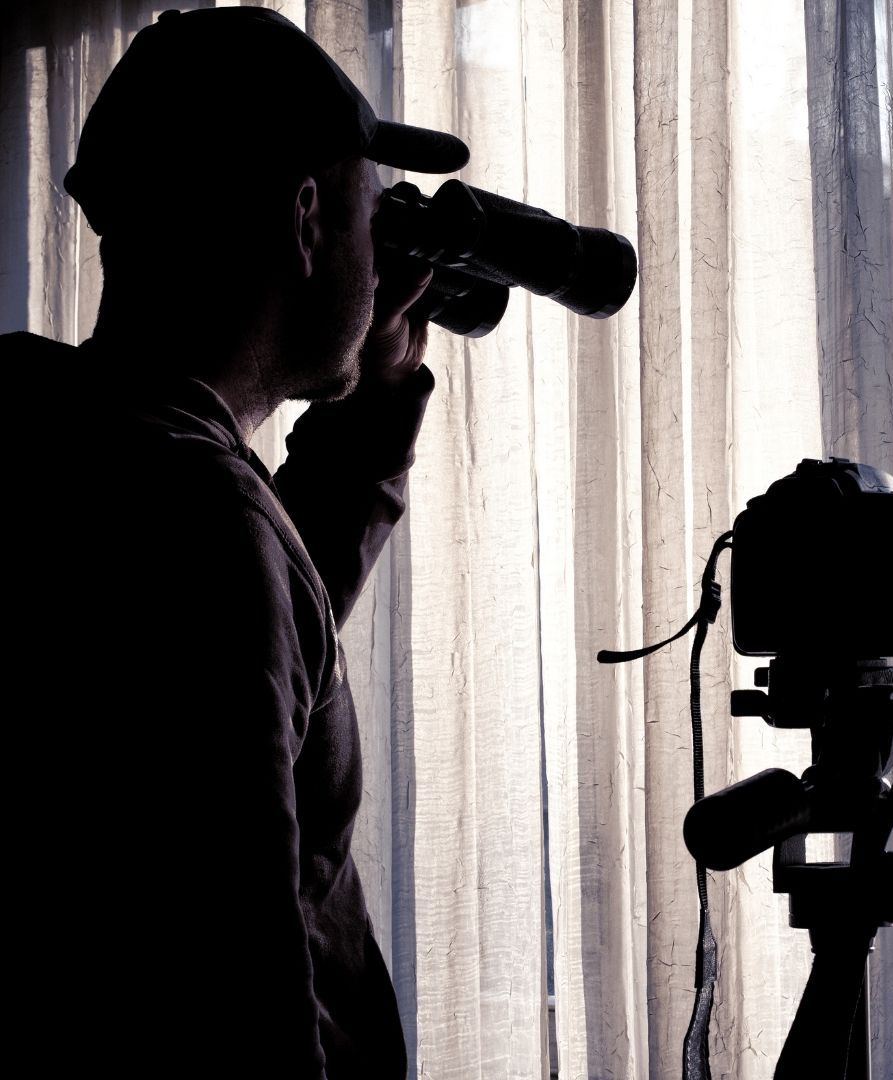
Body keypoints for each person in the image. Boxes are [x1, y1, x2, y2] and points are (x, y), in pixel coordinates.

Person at [4, 8, 467, 1077]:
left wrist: (371, 406)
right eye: (367, 217)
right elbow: (237, 968)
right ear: (306, 219)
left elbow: (257, 650)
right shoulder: (200, 516)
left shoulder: (73, 441)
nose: (379, 255)